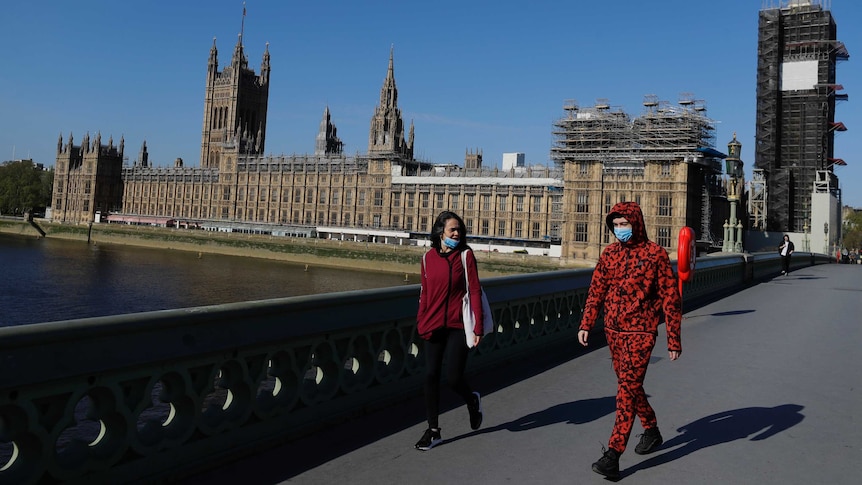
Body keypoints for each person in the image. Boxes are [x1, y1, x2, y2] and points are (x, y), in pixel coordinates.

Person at [577, 201, 682, 479]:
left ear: (636, 223)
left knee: (626, 390)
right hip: (613, 331)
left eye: (625, 224)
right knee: (631, 387)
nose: (620, 229)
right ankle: (652, 430)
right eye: (616, 225)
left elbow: (671, 299)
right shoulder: (609, 253)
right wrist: (587, 322)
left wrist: (673, 339)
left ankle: (613, 454)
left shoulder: (656, 255)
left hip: (641, 332)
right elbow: (596, 290)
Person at [414, 210, 484, 451]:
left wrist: (478, 326)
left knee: (453, 378)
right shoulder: (427, 259)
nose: (457, 233)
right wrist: (421, 321)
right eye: (452, 229)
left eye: (459, 229)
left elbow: (474, 290)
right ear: (440, 232)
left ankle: (471, 400)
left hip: (457, 325)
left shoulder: (465, 256)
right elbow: (424, 294)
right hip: (432, 325)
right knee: (430, 376)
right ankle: (433, 430)